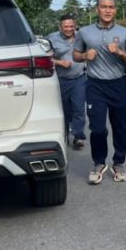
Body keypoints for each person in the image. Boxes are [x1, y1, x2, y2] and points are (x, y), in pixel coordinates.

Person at [72, 0, 126, 183]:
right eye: (104, 6)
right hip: (95, 85)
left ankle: (119, 162)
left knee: (120, 126)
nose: (108, 10)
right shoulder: (85, 32)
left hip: (118, 84)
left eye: (111, 7)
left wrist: (120, 52)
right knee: (97, 128)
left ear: (115, 10)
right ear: (97, 9)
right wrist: (85, 55)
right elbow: (76, 54)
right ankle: (99, 163)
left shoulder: (125, 33)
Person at [47, 14, 87, 150]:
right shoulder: (51, 38)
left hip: (79, 77)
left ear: (75, 26)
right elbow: (45, 58)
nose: (69, 29)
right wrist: (59, 62)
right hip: (61, 80)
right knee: (65, 109)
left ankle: (78, 135)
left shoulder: (81, 37)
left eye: (71, 26)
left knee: (79, 107)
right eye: (66, 27)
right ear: (60, 27)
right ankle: (64, 133)